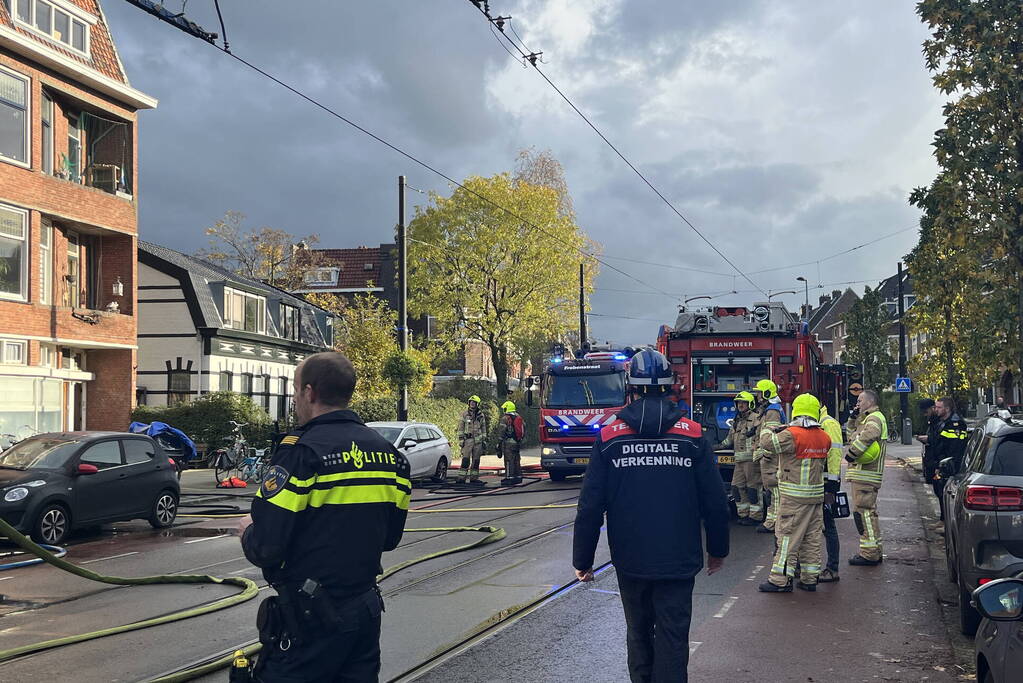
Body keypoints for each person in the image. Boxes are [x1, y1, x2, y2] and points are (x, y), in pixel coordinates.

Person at [238, 352, 410, 681]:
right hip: (364, 611)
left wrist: (248, 531)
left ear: (310, 392)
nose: (295, 399)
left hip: (310, 617)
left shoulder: (301, 453)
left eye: (295, 390)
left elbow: (266, 547)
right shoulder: (390, 456)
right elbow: (390, 539)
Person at [573, 349, 730, 683]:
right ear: (670, 386)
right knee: (673, 636)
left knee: (638, 632)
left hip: (631, 558)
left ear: (631, 387)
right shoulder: (693, 435)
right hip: (679, 558)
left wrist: (582, 559)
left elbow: (589, 506)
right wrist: (717, 549)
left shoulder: (609, 437)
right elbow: (715, 500)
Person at [757, 393, 832, 592]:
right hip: (815, 497)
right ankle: (809, 579)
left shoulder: (792, 434)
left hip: (793, 497)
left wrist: (768, 428)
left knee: (787, 538)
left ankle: (780, 580)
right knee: (811, 539)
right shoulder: (824, 437)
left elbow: (767, 444)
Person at [844, 389, 887, 566]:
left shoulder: (874, 418)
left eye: (860, 401)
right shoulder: (865, 419)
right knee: (868, 513)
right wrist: (852, 418)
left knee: (863, 514)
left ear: (870, 402)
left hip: (866, 473)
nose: (857, 404)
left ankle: (869, 553)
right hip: (864, 474)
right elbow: (850, 435)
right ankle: (875, 549)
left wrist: (851, 454)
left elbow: (869, 436)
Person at [713, 391, 762, 525]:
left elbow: (762, 437)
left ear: (750, 404)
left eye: (743, 402)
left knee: (753, 489)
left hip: (751, 460)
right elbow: (729, 439)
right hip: (739, 461)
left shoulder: (757, 419)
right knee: (736, 487)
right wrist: (716, 447)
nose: (740, 405)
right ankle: (743, 514)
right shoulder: (737, 420)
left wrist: (757, 450)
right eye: (738, 402)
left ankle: (755, 516)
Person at [751, 379, 786, 534]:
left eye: (759, 392)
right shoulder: (768, 410)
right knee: (770, 490)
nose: (757, 396)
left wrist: (765, 453)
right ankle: (771, 521)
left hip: (770, 458)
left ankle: (773, 523)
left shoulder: (772, 411)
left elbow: (772, 436)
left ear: (766, 393)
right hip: (768, 457)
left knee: (773, 491)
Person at [929, 397, 969, 525]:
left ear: (947, 409)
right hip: (941, 463)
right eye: (935, 407)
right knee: (940, 491)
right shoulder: (942, 422)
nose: (936, 409)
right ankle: (943, 520)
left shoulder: (955, 424)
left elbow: (954, 447)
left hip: (950, 465)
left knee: (946, 493)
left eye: (939, 407)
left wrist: (945, 464)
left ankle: (946, 523)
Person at [818, 405, 844, 583]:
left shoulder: (829, 424)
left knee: (828, 526)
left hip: (827, 484)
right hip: (816, 484)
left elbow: (834, 454)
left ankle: (833, 568)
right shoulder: (817, 422)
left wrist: (832, 486)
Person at [916, 398, 943, 513]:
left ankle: (943, 518)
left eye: (926, 412)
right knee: (937, 490)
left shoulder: (939, 422)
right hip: (933, 461)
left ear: (932, 408)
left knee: (941, 491)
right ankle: (942, 518)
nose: (925, 415)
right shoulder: (932, 421)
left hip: (939, 462)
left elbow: (940, 440)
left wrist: (928, 439)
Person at [458, 395, 488, 484]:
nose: (472, 404)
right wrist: (461, 440)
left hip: (478, 442)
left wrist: (484, 440)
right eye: (471, 402)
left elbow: (483, 428)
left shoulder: (481, 415)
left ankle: (474, 478)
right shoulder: (465, 414)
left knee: (476, 461)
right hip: (468, 441)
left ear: (477, 404)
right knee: (465, 460)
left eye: (474, 402)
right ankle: (461, 478)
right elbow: (461, 428)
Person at [499, 402, 525, 486]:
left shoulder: (505, 418)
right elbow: (523, 428)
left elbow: (502, 431)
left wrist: (499, 442)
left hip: (509, 443)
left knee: (508, 460)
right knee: (516, 459)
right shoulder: (518, 417)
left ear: (506, 408)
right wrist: (520, 439)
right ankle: (518, 477)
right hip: (517, 442)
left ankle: (509, 477)